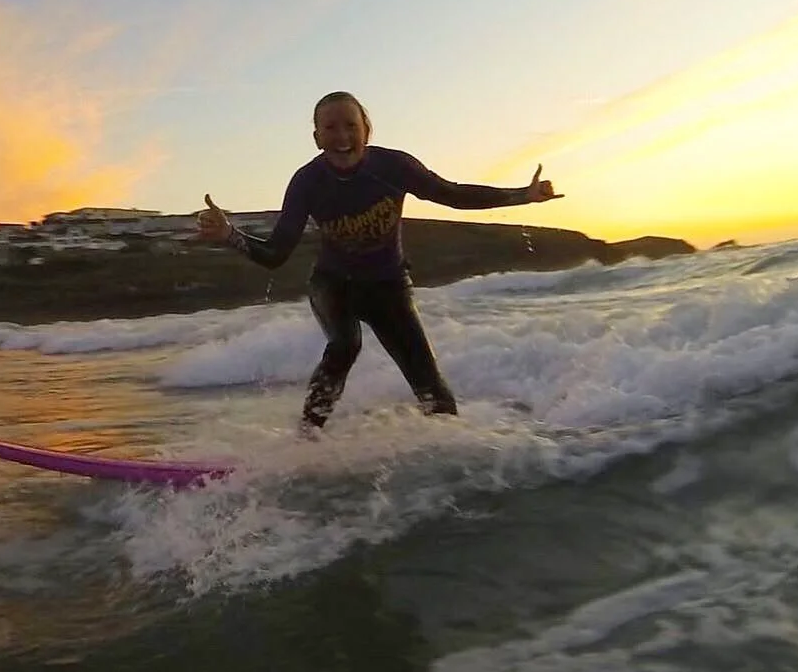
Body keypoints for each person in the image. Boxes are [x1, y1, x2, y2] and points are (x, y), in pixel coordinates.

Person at [196, 91, 563, 433]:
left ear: (366, 131)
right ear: (317, 138)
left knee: (432, 390)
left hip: (389, 286)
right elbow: (276, 254)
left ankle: (452, 451)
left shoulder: (394, 166)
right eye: (330, 128)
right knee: (345, 345)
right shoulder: (307, 182)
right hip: (333, 285)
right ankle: (307, 435)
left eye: (350, 126)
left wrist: (523, 195)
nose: (342, 136)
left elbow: (452, 194)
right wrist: (230, 235)